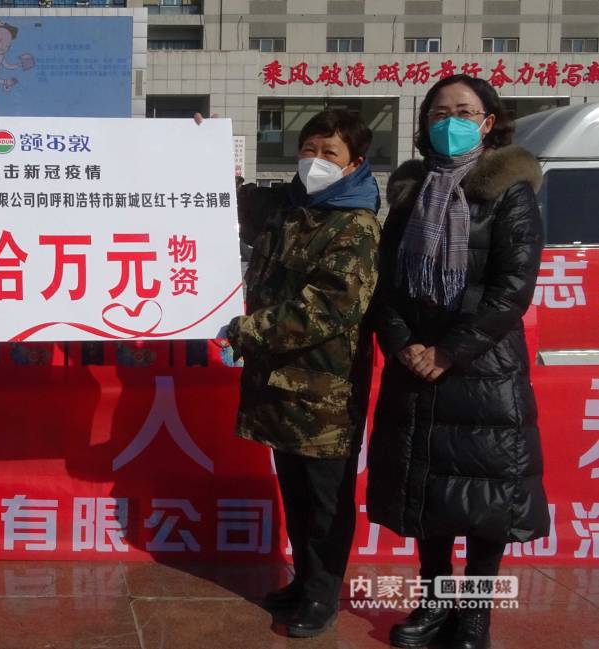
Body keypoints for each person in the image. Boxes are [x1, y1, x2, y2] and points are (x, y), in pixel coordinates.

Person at [366, 74, 548, 649]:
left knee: (487, 502)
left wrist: (449, 351)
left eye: (464, 111)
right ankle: (434, 603)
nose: (451, 122)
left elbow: (512, 289)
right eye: (439, 112)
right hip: (416, 369)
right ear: (424, 123)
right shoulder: (409, 193)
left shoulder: (510, 192)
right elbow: (385, 284)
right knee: (429, 493)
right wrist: (404, 345)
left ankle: (474, 616)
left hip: (483, 369)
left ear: (488, 122)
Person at [198, 109, 382, 637]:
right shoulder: (289, 207)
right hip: (280, 385)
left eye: (330, 153)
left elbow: (328, 308)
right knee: (296, 492)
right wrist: (200, 147)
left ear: (354, 164)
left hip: (325, 392)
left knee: (326, 499)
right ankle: (304, 581)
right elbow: (232, 198)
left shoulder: (355, 226)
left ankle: (323, 594)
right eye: (309, 150)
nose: (315, 161)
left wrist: (245, 331)